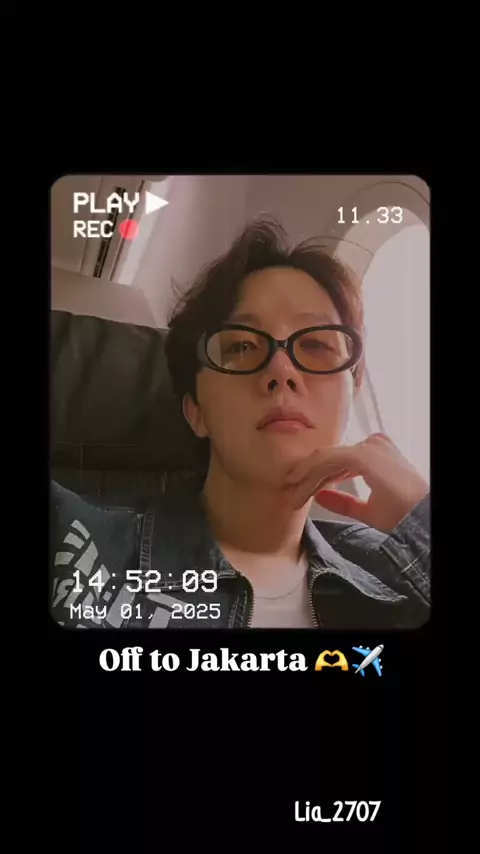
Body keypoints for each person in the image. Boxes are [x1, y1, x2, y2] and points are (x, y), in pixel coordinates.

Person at [50, 218, 430, 630]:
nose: (281, 370)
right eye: (243, 346)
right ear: (196, 411)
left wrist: (424, 519)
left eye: (316, 344)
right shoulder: (73, 544)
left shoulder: (399, 574)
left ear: (350, 391)